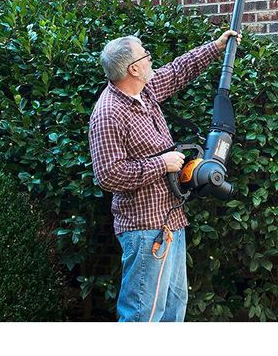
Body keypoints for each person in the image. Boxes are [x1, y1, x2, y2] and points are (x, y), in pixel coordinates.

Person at [89, 29, 239, 322]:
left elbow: (179, 70)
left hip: (171, 222)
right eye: (145, 55)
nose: (151, 58)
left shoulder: (145, 90)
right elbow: (108, 175)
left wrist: (217, 45)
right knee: (142, 316)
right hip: (144, 229)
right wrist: (162, 164)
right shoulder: (108, 113)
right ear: (133, 68)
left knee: (173, 310)